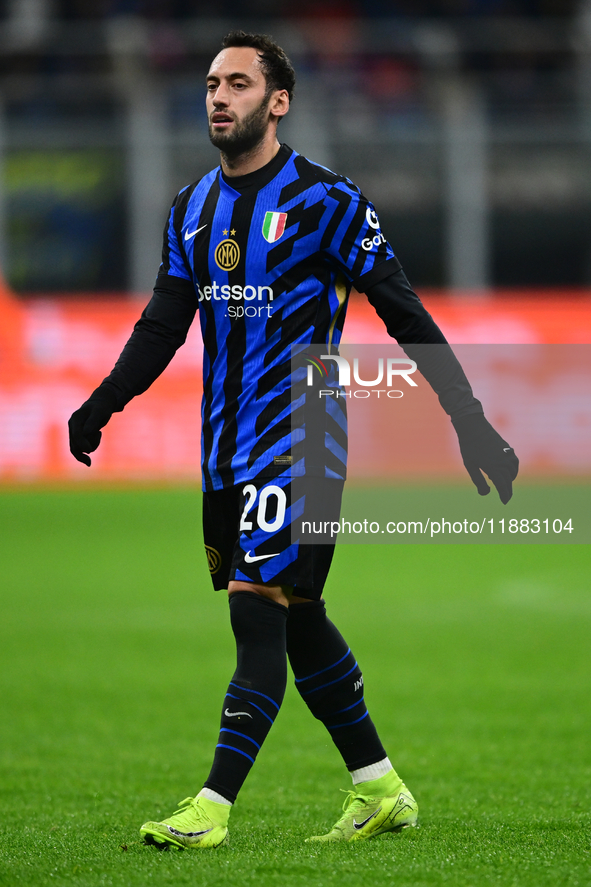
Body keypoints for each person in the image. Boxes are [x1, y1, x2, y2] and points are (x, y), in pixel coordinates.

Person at [68, 31, 518, 849]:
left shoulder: (329, 203)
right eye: (210, 82)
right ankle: (379, 785)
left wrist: (470, 419)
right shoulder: (189, 210)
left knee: (256, 609)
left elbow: (406, 314)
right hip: (224, 450)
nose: (217, 96)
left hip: (303, 442)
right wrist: (102, 402)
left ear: (277, 101)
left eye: (237, 83)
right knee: (300, 615)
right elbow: (163, 325)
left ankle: (211, 806)